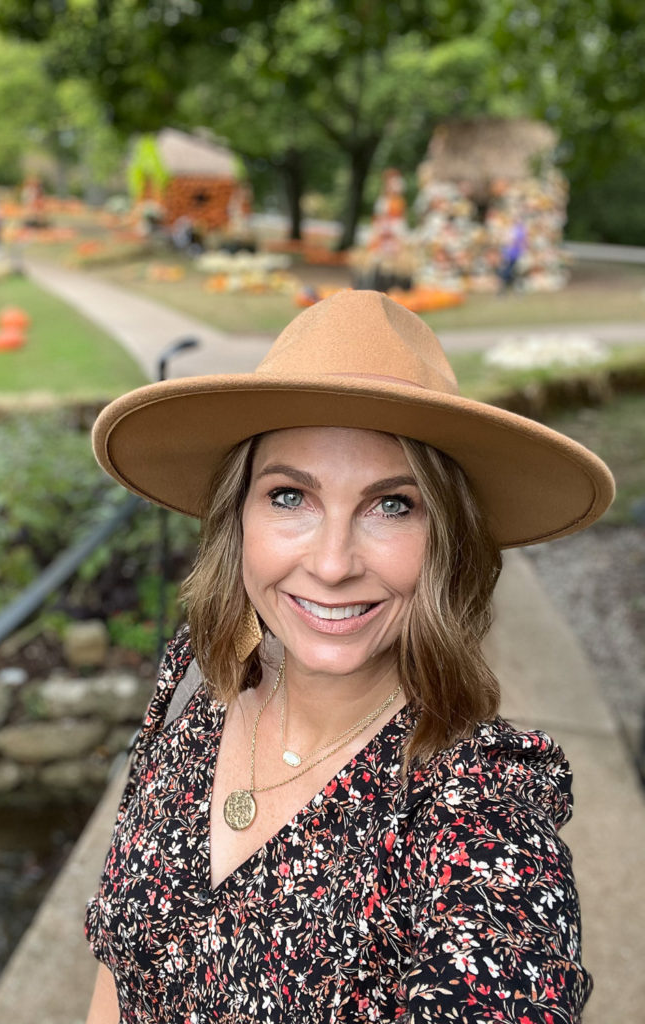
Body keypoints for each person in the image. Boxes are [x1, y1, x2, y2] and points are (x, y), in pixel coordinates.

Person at [84, 290, 613, 1023]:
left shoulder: (478, 820)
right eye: (290, 496)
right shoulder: (197, 694)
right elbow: (120, 961)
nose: (332, 564)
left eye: (392, 505)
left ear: (449, 541)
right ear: (239, 517)